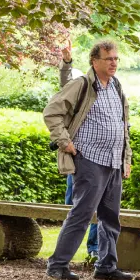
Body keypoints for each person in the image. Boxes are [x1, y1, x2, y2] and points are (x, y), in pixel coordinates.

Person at [43, 40, 133, 280]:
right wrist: (64, 141)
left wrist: (126, 158)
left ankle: (106, 266)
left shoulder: (116, 86)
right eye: (108, 59)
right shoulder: (82, 84)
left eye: (116, 58)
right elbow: (52, 111)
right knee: (82, 214)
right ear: (95, 61)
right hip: (89, 159)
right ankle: (57, 265)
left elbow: (123, 126)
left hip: (113, 161)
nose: (113, 62)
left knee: (110, 217)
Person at [58, 43, 98, 261]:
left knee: (97, 206)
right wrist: (66, 63)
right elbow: (65, 86)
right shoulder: (81, 87)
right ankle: (66, 251)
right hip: (80, 157)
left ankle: (94, 249)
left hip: (100, 159)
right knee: (75, 206)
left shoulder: (112, 90)